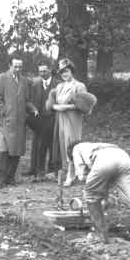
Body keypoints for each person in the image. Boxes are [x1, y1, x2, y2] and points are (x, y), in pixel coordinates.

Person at [68, 141, 130, 260]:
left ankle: (101, 236)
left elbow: (82, 175)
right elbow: (106, 177)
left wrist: (93, 191)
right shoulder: (95, 145)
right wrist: (104, 194)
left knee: (90, 197)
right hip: (123, 157)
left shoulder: (76, 148)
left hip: (103, 161)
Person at [0, 53, 38, 188]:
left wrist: (33, 108)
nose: (18, 69)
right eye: (15, 66)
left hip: (19, 122)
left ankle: (9, 178)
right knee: (3, 150)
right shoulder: (1, 78)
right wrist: (5, 111)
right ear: (9, 65)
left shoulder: (23, 80)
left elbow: (26, 100)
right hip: (5, 121)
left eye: (20, 66)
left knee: (16, 150)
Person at [46, 57, 87, 187]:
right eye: (62, 72)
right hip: (61, 118)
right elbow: (53, 103)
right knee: (63, 145)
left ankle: (72, 174)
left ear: (72, 71)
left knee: (72, 144)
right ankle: (69, 172)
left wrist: (67, 107)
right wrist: (54, 106)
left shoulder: (79, 86)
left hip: (73, 118)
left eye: (67, 71)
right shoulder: (59, 86)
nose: (64, 74)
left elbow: (84, 105)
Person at [24, 62, 59, 182]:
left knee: (51, 144)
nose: (42, 74)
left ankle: (50, 169)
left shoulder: (58, 84)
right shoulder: (35, 83)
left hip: (53, 118)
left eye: (44, 71)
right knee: (38, 144)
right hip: (38, 118)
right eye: (40, 71)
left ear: (50, 70)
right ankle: (36, 169)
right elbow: (28, 100)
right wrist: (33, 109)